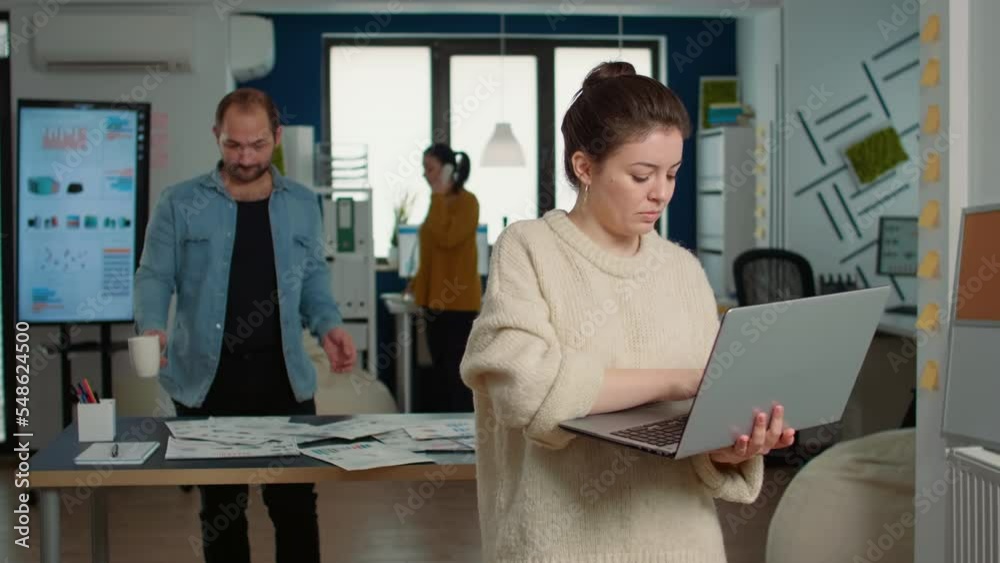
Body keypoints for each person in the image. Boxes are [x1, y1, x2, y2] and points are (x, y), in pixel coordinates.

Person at [459, 61, 797, 562]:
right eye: (641, 175)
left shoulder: (683, 271)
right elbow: (528, 392)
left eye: (672, 174)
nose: (660, 192)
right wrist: (676, 380)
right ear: (585, 167)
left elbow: (701, 430)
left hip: (683, 546)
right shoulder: (528, 249)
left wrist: (730, 449)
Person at [133, 87, 356, 563]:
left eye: (257, 145)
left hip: (283, 379)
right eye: (234, 145)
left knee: (295, 506)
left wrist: (330, 325)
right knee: (222, 510)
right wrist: (152, 326)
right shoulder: (180, 202)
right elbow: (154, 275)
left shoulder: (301, 202)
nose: (246, 156)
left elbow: (314, 277)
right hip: (209, 381)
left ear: (275, 136)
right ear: (217, 135)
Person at [408, 143, 481, 412]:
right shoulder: (436, 201)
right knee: (438, 372)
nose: (425, 174)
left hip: (458, 303)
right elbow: (432, 249)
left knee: (455, 374)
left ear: (449, 169)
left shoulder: (467, 202)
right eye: (424, 169)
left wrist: (438, 197)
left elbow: (447, 239)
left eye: (431, 168)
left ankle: (464, 437)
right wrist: (417, 284)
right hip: (433, 301)